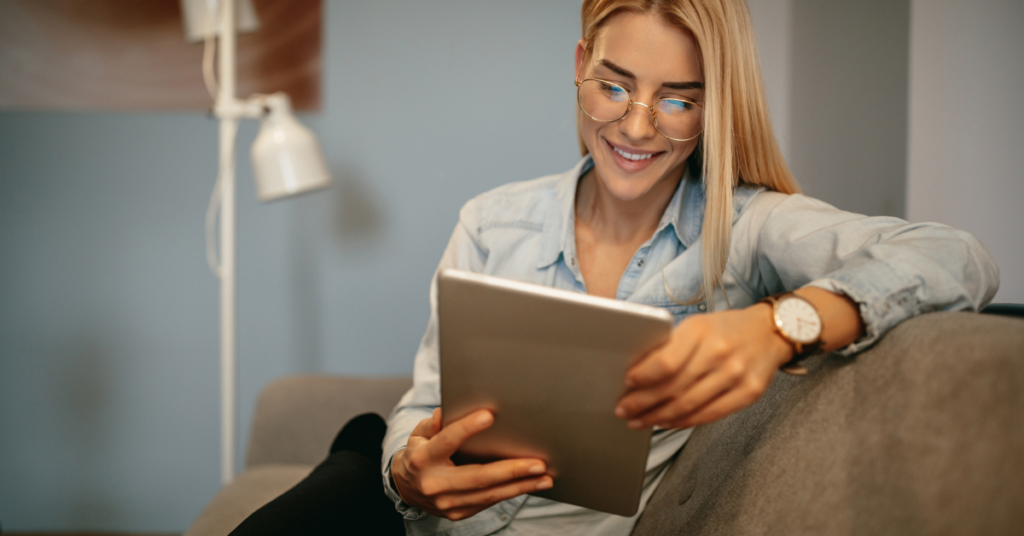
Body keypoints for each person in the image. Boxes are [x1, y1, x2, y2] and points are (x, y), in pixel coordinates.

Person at [231, 0, 997, 534]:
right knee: (354, 461)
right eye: (614, 85)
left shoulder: (747, 227)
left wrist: (778, 327)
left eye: (678, 100)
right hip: (411, 524)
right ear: (579, 65)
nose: (634, 126)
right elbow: (425, 399)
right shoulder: (492, 223)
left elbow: (956, 258)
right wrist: (406, 473)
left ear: (715, 105)